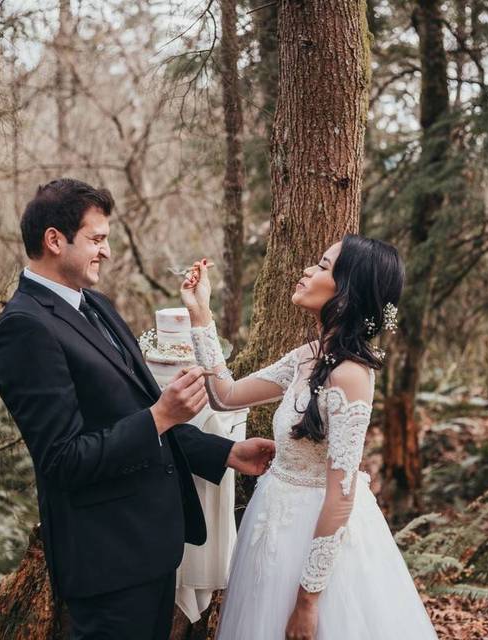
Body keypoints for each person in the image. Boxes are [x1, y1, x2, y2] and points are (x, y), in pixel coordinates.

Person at [0, 178, 276, 640]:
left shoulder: (97, 306)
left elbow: (133, 409)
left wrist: (223, 452)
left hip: (150, 548)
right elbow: (64, 459)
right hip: (105, 561)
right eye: (96, 239)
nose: (106, 251)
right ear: (54, 240)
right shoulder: (24, 328)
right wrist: (162, 415)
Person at [180, 235, 438, 639]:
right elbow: (225, 396)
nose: (307, 270)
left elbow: (342, 495)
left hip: (315, 537)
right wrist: (200, 316)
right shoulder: (308, 356)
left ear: (347, 289)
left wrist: (308, 600)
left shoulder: (351, 375)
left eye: (321, 266)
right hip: (273, 525)